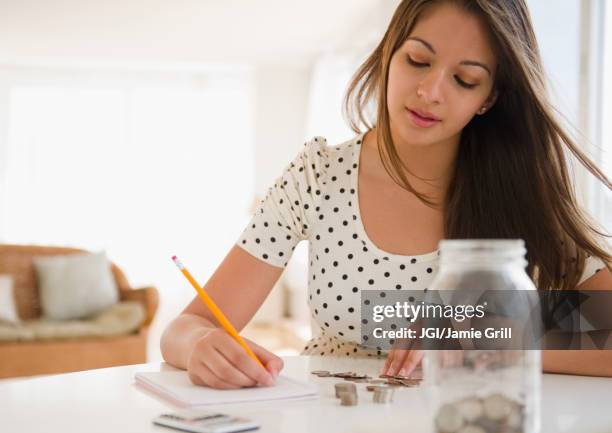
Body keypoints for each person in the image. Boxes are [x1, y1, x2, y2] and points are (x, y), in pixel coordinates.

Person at [161, 0, 612, 389]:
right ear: (389, 53)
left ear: (489, 98)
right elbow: (186, 326)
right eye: (418, 60)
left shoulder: (520, 190)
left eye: (465, 80)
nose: (429, 92)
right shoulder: (317, 175)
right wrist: (200, 345)